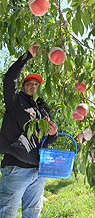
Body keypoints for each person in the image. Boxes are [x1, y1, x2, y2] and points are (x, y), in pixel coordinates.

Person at [0, 44, 58, 218]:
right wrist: (27, 56)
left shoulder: (43, 110)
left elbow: (45, 142)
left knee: (33, 214)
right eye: (29, 83)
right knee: (7, 213)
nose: (33, 86)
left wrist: (52, 135)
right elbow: (9, 79)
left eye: (36, 84)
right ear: (23, 87)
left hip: (38, 171)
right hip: (16, 168)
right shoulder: (15, 102)